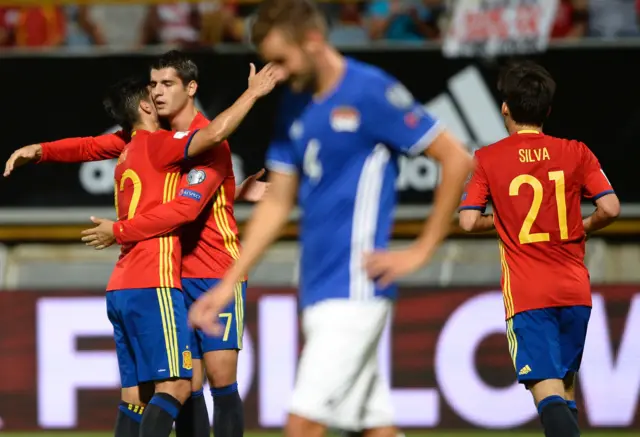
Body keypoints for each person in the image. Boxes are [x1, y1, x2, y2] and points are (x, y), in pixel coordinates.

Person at [188, 1, 473, 437]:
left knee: (302, 426)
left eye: (282, 60)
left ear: (314, 41)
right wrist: (227, 285)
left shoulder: (369, 90)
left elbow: (455, 158)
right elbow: (277, 204)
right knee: (375, 427)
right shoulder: (293, 107)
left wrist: (421, 250)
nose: (277, 73)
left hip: (356, 289)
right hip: (318, 289)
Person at [4, 57, 280, 437]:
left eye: (167, 83)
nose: (157, 91)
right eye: (153, 84)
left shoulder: (207, 139)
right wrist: (42, 150)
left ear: (191, 88)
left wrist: (233, 188)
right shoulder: (157, 138)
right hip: (172, 274)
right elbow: (91, 145)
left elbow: (188, 205)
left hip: (216, 271)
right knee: (187, 384)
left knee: (218, 378)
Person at [458, 61, 620, 437]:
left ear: (505, 108)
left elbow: (467, 220)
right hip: (575, 291)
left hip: (530, 294)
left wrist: (503, 222)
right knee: (565, 392)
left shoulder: (488, 158)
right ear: (547, 110)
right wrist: (583, 226)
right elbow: (610, 208)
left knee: (547, 395)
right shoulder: (577, 152)